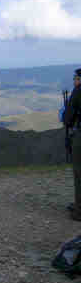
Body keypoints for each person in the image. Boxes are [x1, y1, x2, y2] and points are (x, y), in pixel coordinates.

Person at [64, 68, 81, 222]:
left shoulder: (78, 91)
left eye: (76, 78)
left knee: (79, 172)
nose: (74, 81)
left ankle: (79, 211)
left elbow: (67, 118)